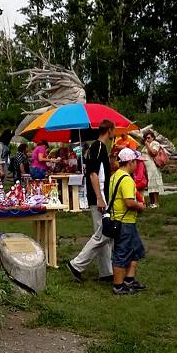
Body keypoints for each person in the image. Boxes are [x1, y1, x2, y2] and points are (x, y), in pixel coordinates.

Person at [66, 121, 116, 284]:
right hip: (99, 195)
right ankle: (77, 264)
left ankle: (106, 272)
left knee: (104, 235)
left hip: (100, 194)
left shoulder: (99, 148)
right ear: (109, 130)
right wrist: (100, 198)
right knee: (103, 233)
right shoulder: (98, 147)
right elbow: (94, 174)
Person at [109, 147, 148, 295]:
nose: (137, 165)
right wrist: (141, 206)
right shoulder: (126, 179)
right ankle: (118, 285)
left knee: (135, 250)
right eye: (136, 162)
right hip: (124, 221)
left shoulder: (114, 176)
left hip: (119, 220)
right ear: (130, 162)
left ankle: (129, 280)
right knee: (122, 252)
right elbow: (129, 202)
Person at [142, 130, 165, 209]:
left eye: (148, 137)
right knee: (150, 185)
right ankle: (151, 202)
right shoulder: (146, 145)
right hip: (147, 168)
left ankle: (156, 202)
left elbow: (153, 153)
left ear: (153, 137)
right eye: (145, 138)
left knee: (154, 184)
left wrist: (148, 145)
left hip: (153, 167)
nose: (147, 139)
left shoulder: (155, 144)